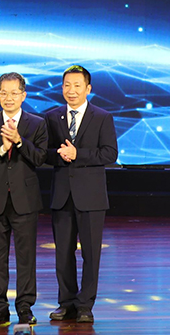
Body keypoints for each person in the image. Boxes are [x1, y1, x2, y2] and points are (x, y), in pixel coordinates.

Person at [45, 65, 118, 325]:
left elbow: (110, 154)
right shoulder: (52, 117)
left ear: (88, 89)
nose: (71, 90)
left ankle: (85, 305)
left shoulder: (102, 117)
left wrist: (79, 155)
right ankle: (66, 303)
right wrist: (57, 154)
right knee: (63, 253)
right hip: (62, 196)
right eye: (67, 85)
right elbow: (45, 152)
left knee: (90, 253)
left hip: (92, 197)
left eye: (77, 86)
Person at [0, 72, 47, 325]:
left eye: (14, 93)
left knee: (26, 257)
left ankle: (25, 308)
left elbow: (39, 158)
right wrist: (2, 148)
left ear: (23, 95)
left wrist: (18, 142)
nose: (8, 98)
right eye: (3, 92)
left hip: (25, 200)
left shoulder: (37, 124)